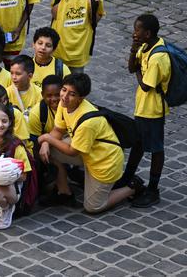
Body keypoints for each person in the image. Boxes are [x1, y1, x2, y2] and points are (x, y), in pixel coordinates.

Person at [37, 73, 140, 213]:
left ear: (81, 98)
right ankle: (64, 192)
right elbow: (58, 130)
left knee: (93, 207)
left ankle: (132, 187)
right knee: (51, 151)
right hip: (87, 151)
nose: (64, 96)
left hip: (104, 162)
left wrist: (47, 138)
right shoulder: (64, 104)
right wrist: (45, 143)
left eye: (72, 94)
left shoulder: (88, 123)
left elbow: (72, 151)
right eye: (64, 89)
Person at [125, 13, 170, 208]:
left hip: (153, 110)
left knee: (155, 147)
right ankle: (127, 176)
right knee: (138, 143)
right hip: (142, 107)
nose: (135, 33)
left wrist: (137, 66)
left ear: (148, 33)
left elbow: (145, 85)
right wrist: (134, 50)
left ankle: (153, 188)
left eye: (138, 30)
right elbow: (130, 67)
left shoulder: (158, 57)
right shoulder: (145, 46)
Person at [50, 0, 104, 74]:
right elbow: (54, 14)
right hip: (59, 50)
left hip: (78, 52)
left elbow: (95, 20)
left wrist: (92, 7)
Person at [31, 26, 69, 90]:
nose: (43, 47)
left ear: (54, 49)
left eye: (48, 45)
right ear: (33, 44)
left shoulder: (62, 69)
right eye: (40, 43)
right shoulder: (26, 65)